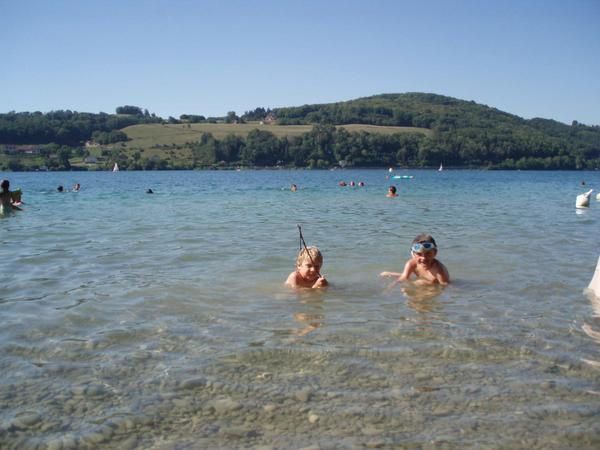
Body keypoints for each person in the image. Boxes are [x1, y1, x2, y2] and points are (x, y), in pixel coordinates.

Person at [380, 234, 450, 286]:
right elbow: (403, 278)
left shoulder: (439, 270)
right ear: (413, 254)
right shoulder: (411, 264)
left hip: (432, 283)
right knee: (406, 281)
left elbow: (445, 286)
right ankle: (390, 273)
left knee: (420, 283)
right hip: (422, 278)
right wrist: (390, 288)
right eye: (419, 254)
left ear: (435, 253)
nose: (424, 258)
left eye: (428, 254)